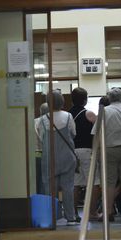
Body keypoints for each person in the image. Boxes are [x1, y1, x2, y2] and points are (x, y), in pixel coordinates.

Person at [92, 88, 121, 221]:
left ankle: (109, 212)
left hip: (109, 150)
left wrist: (96, 151)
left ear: (109, 98)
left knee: (109, 183)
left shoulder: (104, 111)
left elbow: (96, 133)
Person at [37, 90, 79, 226]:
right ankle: (70, 217)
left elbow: (41, 137)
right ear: (62, 101)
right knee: (68, 188)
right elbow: (73, 133)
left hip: (49, 158)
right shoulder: (68, 116)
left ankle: (53, 216)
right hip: (67, 156)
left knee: (50, 189)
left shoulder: (43, 120)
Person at [68, 87, 101, 221]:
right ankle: (92, 212)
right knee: (94, 183)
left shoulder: (68, 114)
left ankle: (74, 213)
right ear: (85, 100)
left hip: (73, 152)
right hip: (87, 151)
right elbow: (99, 126)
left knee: (75, 184)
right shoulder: (88, 114)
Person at [34, 102, 49, 194]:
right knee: (44, 182)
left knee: (35, 181)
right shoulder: (48, 123)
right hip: (45, 154)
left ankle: (37, 202)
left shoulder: (34, 121)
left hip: (34, 155)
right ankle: (45, 203)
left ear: (40, 111)